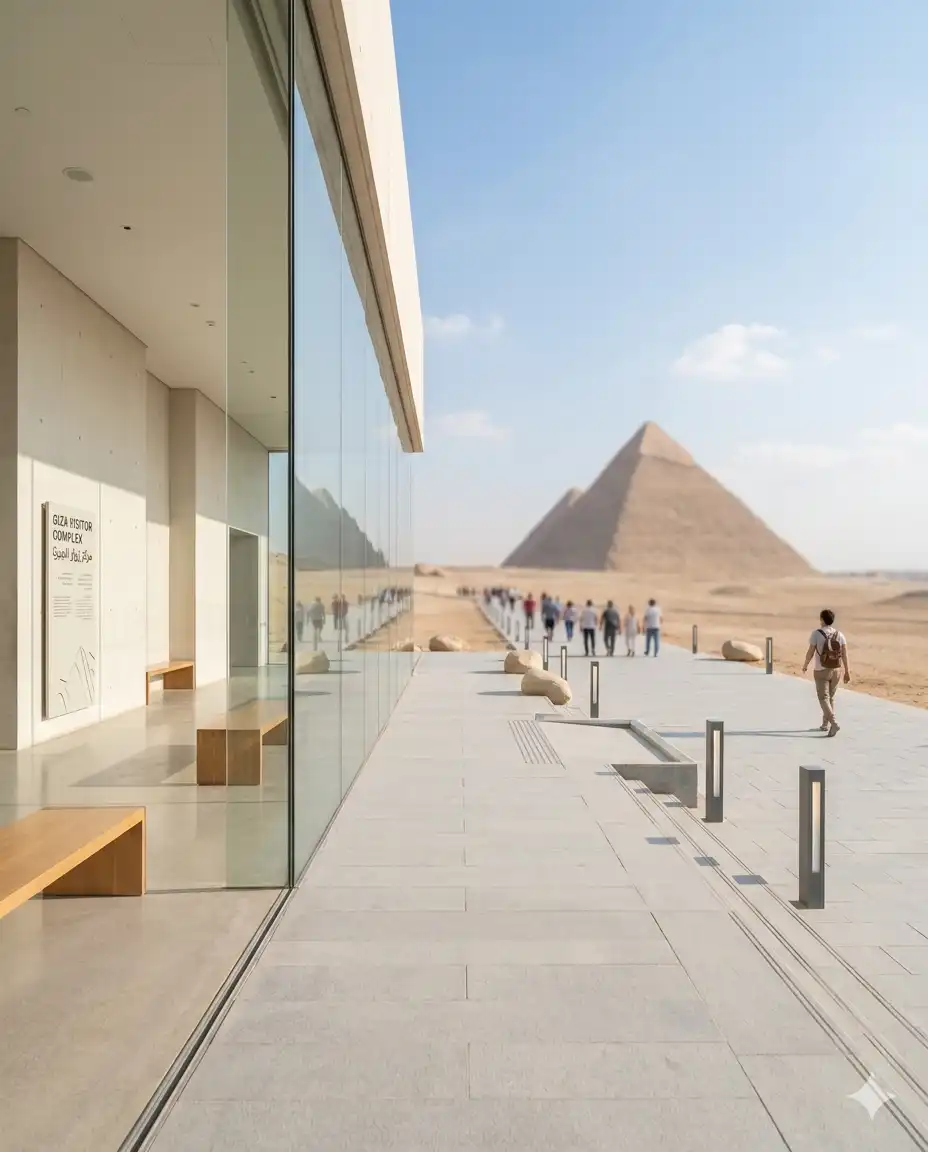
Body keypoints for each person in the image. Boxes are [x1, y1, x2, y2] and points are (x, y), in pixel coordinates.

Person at [801, 609, 850, 736]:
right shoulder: (840, 635)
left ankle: (833, 723)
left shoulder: (816, 634)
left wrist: (805, 665)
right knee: (831, 698)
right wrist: (847, 671)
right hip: (836, 670)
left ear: (822, 619)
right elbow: (844, 655)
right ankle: (825, 725)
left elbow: (810, 652)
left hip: (821, 669)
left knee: (823, 698)